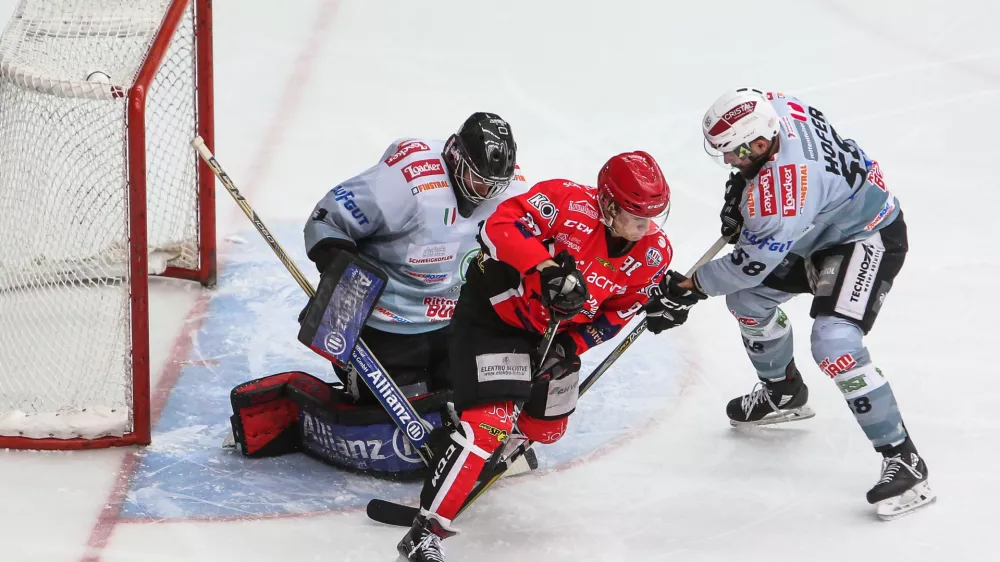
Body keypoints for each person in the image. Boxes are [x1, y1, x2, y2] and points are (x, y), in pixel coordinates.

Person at [643, 87, 934, 520]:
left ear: (760, 144)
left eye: (734, 154)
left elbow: (749, 264)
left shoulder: (783, 194)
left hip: (864, 238)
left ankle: (905, 459)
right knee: (748, 302)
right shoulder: (773, 107)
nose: (728, 161)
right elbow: (754, 248)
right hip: (821, 229)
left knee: (834, 343)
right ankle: (784, 393)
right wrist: (740, 192)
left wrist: (689, 288)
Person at [397, 151, 673, 561]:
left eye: (652, 216)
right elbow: (497, 227)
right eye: (635, 215)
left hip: (554, 336)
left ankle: (506, 442)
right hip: (498, 317)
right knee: (486, 426)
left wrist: (572, 346)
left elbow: (619, 311)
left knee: (548, 426)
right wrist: (545, 267)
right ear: (608, 203)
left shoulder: (654, 254)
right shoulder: (565, 202)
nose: (644, 227)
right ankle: (426, 531)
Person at [304, 112, 528, 404]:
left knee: (471, 400)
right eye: (478, 180)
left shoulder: (515, 192)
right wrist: (343, 279)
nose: (487, 193)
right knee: (408, 408)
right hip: (385, 330)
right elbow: (326, 220)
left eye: (495, 184)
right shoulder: (406, 181)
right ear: (455, 157)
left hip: (457, 324)